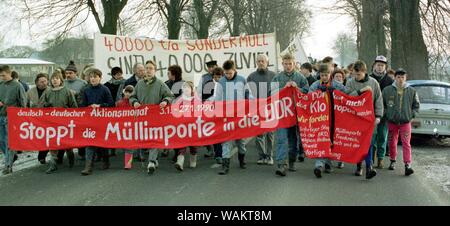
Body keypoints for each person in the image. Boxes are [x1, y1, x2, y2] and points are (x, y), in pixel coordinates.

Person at [130, 60, 175, 175]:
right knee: (146, 139)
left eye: (151, 68)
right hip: (143, 117)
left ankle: (151, 162)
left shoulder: (160, 83)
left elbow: (170, 96)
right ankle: (154, 159)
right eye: (147, 68)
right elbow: (132, 97)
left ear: (155, 71)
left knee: (154, 139)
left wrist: (165, 101)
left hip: (156, 117)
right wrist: (134, 102)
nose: (148, 70)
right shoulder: (139, 84)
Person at [271, 53, 309, 177]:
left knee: (293, 139)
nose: (288, 66)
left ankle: (292, 160)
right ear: (282, 64)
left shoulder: (300, 77)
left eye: (290, 64)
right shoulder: (277, 78)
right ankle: (282, 164)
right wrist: (283, 88)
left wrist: (296, 87)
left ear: (294, 64)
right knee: (281, 139)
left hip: (296, 113)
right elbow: (271, 92)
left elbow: (307, 92)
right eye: (285, 64)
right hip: (282, 113)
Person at [345, 60, 383, 180]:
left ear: (364, 72)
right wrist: (360, 91)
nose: (357, 77)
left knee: (369, 143)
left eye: (359, 74)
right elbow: (347, 97)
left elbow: (378, 99)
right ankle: (358, 166)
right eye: (355, 74)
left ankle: (369, 167)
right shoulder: (350, 82)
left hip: (369, 118)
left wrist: (378, 116)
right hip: (355, 118)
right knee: (358, 143)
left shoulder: (373, 83)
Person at [309, 64, 348, 178]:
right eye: (322, 75)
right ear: (319, 75)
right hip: (320, 117)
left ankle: (328, 163)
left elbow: (347, 94)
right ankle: (319, 165)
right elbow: (308, 96)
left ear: (330, 75)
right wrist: (316, 93)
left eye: (326, 75)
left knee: (331, 140)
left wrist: (335, 91)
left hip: (334, 117)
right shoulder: (315, 85)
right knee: (321, 138)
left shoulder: (336, 84)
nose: (324, 77)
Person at [215, 60, 252, 175]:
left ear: (234, 70)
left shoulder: (242, 80)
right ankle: (225, 166)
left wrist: (250, 106)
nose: (228, 75)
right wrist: (218, 112)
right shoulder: (221, 82)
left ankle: (242, 159)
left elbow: (248, 95)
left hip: (240, 116)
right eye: (226, 73)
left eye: (230, 73)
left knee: (240, 140)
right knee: (226, 141)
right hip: (227, 116)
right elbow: (218, 98)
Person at [39, 70, 78, 174]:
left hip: (65, 122)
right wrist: (46, 107)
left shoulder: (67, 91)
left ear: (61, 80)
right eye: (52, 79)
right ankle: (53, 164)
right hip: (52, 122)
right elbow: (43, 105)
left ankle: (71, 158)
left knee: (66, 144)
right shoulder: (47, 92)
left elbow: (74, 107)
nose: (54, 80)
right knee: (53, 143)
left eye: (56, 78)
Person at [383, 69, 420, 176]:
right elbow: (383, 105)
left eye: (402, 77)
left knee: (406, 143)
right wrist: (387, 115)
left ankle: (407, 164)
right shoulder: (387, 90)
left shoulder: (412, 91)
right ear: (395, 78)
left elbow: (416, 106)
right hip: (392, 121)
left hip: (405, 122)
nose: (400, 79)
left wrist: (412, 115)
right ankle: (392, 160)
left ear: (406, 78)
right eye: (398, 77)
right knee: (392, 141)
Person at [80, 68, 115, 176]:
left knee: (102, 142)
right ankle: (88, 166)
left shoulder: (105, 89)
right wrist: (88, 107)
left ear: (100, 78)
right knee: (90, 142)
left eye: (95, 77)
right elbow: (82, 105)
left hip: (102, 120)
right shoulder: (86, 90)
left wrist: (100, 106)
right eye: (91, 77)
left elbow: (111, 104)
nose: (93, 79)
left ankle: (106, 160)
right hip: (90, 120)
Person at [247, 54, 276, 166]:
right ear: (256, 62)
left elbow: (277, 92)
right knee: (259, 133)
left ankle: (269, 156)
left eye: (263, 61)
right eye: (258, 61)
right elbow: (248, 93)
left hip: (270, 109)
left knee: (270, 133)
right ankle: (261, 155)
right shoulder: (251, 77)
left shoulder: (274, 76)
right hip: (257, 109)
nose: (260, 63)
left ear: (267, 62)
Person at [0, 65, 27, 175]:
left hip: (11, 117)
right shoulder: (0, 85)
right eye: (0, 75)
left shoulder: (17, 86)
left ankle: (8, 165)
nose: (2, 77)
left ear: (9, 73)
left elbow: (23, 103)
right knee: (1, 141)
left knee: (9, 142)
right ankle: (11, 156)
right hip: (0, 116)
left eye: (3, 75)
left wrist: (20, 116)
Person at [369, 56, 394, 169]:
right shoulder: (368, 78)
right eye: (378, 65)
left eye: (382, 65)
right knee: (371, 138)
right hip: (370, 114)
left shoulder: (390, 81)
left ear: (385, 67)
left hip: (384, 115)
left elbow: (392, 99)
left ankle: (380, 159)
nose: (380, 67)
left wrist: (388, 111)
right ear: (374, 65)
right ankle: (371, 158)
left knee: (382, 137)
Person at [173, 81, 200, 171]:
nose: (186, 89)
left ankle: (193, 160)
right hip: (183, 126)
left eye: (188, 88)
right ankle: (180, 163)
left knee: (193, 145)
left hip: (193, 126)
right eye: (184, 88)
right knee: (182, 144)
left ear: (192, 89)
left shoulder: (196, 100)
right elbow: (174, 111)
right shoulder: (180, 100)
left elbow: (200, 112)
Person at [27, 73, 50, 164]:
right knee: (39, 137)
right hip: (34, 118)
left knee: (46, 137)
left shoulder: (50, 90)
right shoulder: (30, 92)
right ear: (36, 83)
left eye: (45, 81)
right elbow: (26, 104)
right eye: (41, 81)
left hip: (47, 119)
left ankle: (42, 155)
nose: (44, 83)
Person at [197, 60, 218, 158]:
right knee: (206, 128)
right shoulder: (203, 77)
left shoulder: (220, 76)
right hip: (206, 105)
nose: (211, 69)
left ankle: (218, 150)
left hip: (217, 106)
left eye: (213, 67)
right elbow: (199, 92)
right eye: (209, 67)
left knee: (217, 128)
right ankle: (210, 149)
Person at [115, 85, 136, 170]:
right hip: (122, 126)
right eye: (126, 92)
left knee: (129, 145)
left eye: (130, 92)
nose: (128, 94)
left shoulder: (134, 103)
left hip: (132, 126)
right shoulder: (119, 103)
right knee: (124, 145)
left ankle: (128, 163)